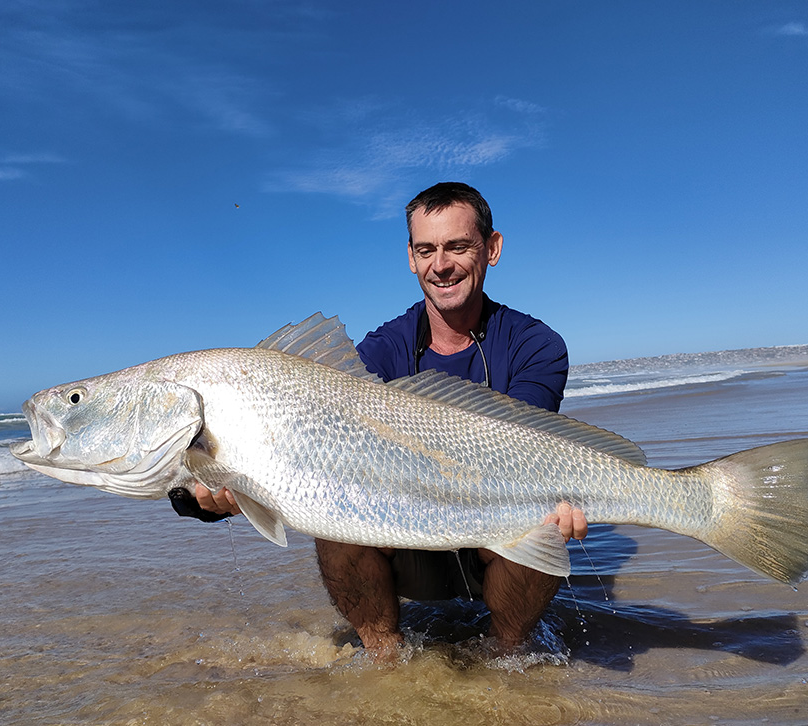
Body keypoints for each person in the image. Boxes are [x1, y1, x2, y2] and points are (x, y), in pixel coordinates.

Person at [177, 182, 588, 654]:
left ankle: (508, 654)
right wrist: (202, 495)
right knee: (331, 514)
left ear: (491, 248)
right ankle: (384, 657)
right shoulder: (378, 353)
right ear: (411, 257)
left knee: (542, 517)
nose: (441, 265)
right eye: (426, 250)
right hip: (408, 540)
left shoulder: (536, 345)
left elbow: (523, 454)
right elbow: (300, 453)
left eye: (458, 246)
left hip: (493, 539)